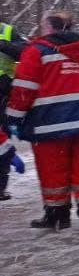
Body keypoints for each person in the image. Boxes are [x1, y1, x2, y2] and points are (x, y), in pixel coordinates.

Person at [6, 11, 79, 228]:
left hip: (50, 122)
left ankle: (57, 215)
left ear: (50, 28)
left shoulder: (38, 51)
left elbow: (24, 88)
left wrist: (13, 118)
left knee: (53, 168)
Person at [0, 22, 29, 201]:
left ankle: (1, 187)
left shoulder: (6, 30)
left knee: (3, 137)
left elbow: (25, 51)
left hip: (3, 88)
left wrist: (4, 46)